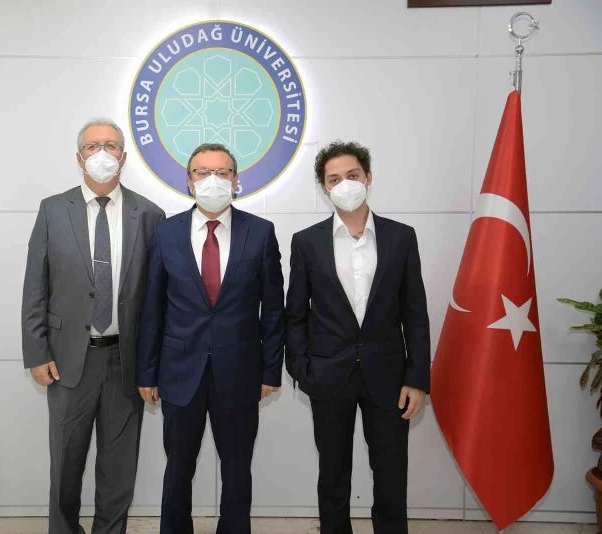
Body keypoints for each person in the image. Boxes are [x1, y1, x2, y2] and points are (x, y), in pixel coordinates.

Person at [21, 118, 165, 534]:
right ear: (79, 157)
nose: (101, 153)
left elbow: (158, 299)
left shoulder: (150, 215)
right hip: (67, 361)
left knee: (119, 468)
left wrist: (152, 365)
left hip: (126, 361)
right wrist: (37, 352)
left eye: (110, 145)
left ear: (124, 156)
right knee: (65, 464)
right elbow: (35, 286)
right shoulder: (53, 210)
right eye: (92, 146)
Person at [136, 143, 285, 534]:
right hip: (178, 372)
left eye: (222, 172)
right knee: (178, 468)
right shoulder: (166, 233)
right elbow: (152, 308)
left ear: (236, 180)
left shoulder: (261, 233)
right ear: (189, 181)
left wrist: (271, 370)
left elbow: (273, 310)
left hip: (240, 372)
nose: (212, 180)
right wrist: (147, 373)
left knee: (237, 470)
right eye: (202, 172)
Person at [285, 141, 430, 534]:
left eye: (352, 175)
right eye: (334, 179)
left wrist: (417, 379)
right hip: (328, 376)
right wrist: (301, 369)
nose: (344, 184)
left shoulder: (401, 237)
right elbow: (295, 314)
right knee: (333, 474)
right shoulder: (307, 242)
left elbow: (415, 314)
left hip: (389, 377)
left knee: (391, 473)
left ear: (368, 177)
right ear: (324, 187)